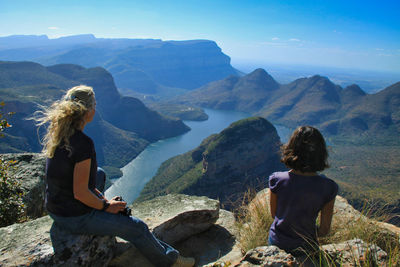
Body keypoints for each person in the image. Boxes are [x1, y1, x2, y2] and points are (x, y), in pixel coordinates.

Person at [35, 85, 195, 267]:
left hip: (56, 207)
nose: (96, 108)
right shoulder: (82, 144)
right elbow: (80, 193)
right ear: (87, 111)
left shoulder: (61, 134)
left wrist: (103, 202)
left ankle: (98, 208)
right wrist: (105, 206)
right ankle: (170, 260)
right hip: (73, 216)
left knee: (100, 174)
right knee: (137, 227)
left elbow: (79, 184)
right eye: (94, 104)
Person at [268, 126, 338, 257]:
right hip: (306, 247)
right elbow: (324, 230)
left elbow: (274, 214)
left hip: (277, 242)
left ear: (291, 150)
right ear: (321, 153)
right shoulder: (329, 187)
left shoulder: (276, 180)